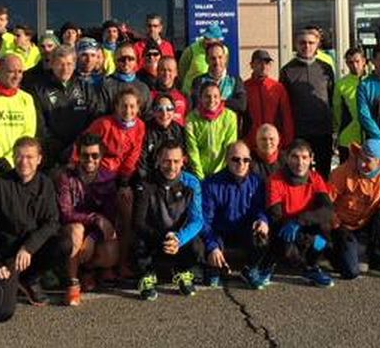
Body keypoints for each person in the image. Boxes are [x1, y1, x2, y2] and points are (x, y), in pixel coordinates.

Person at [0, 137, 61, 321]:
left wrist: (29, 247)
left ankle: (29, 279)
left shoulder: (45, 184)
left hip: (30, 251)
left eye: (30, 157)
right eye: (19, 157)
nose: (24, 162)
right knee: (2, 313)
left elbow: (52, 222)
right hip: (5, 255)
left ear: (39, 159)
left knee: (63, 244)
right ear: (13, 158)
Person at [81, 86, 146, 274]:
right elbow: (83, 145)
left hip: (122, 178)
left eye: (132, 106)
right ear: (116, 106)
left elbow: (133, 155)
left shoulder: (140, 126)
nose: (128, 110)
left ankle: (121, 262)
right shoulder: (104, 124)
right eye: (123, 106)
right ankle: (92, 268)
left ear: (138, 108)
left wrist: (124, 183)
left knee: (126, 214)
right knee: (98, 216)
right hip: (98, 177)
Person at [132, 140, 203, 300]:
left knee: (196, 243)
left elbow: (197, 220)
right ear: (158, 160)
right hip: (155, 236)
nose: (171, 167)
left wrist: (179, 238)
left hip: (178, 237)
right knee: (139, 239)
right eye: (167, 161)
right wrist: (164, 237)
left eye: (176, 161)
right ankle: (146, 275)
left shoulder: (192, 183)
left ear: (183, 161)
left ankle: (182, 271)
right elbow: (138, 222)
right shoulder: (145, 183)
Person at [57, 134, 119, 306]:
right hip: (69, 230)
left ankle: (86, 270)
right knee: (77, 229)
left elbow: (110, 217)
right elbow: (65, 213)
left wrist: (92, 238)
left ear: (101, 156)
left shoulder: (108, 178)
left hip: (92, 232)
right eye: (85, 155)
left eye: (94, 155)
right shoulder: (66, 177)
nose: (90, 160)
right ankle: (72, 282)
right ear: (78, 155)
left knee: (112, 252)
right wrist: (95, 218)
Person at [328, 139, 380, 279]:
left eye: (368, 160)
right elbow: (326, 204)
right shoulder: (342, 172)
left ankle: (378, 258)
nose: (362, 164)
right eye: (360, 157)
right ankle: (330, 250)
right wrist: (337, 226)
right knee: (350, 272)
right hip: (343, 225)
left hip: (368, 220)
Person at [201, 141, 271, 289]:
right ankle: (212, 267)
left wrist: (262, 220)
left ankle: (250, 269)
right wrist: (212, 246)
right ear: (227, 160)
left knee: (262, 237)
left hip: (244, 229)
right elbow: (205, 220)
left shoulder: (257, 182)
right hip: (219, 231)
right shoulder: (211, 184)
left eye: (246, 160)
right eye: (236, 159)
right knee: (199, 241)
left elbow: (261, 208)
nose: (241, 164)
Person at [266, 140, 335, 288]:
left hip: (303, 225)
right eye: (295, 157)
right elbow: (275, 216)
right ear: (286, 158)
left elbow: (328, 210)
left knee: (325, 233)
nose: (300, 163)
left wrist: (299, 221)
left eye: (304, 157)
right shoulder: (276, 180)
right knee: (284, 239)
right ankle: (306, 268)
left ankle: (313, 262)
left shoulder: (315, 178)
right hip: (286, 229)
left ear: (311, 159)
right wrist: (303, 235)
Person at [23, 45, 102, 164]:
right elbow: (39, 126)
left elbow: (95, 118)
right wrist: (57, 148)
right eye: (60, 64)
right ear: (52, 64)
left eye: (69, 64)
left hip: (80, 153)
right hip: (51, 154)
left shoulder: (85, 87)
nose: (65, 69)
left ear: (75, 65)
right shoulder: (38, 89)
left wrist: (78, 145)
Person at [281, 28, 335, 178]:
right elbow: (284, 104)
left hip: (323, 130)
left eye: (311, 43)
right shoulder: (287, 71)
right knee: (299, 172)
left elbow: (331, 98)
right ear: (296, 45)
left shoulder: (325, 69)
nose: (307, 46)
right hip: (300, 131)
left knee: (323, 172)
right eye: (302, 43)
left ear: (317, 44)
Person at [185, 82, 239, 180]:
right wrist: (200, 176)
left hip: (222, 173)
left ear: (220, 98)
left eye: (215, 96)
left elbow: (230, 146)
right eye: (207, 96)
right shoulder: (191, 119)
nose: (212, 100)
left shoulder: (230, 117)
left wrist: (224, 172)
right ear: (200, 98)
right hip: (200, 173)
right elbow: (192, 150)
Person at [244, 49, 294, 150]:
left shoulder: (277, 88)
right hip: (251, 144)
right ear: (252, 65)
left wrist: (287, 143)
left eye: (267, 63)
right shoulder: (244, 87)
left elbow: (286, 117)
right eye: (259, 63)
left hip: (274, 143)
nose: (263, 66)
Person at [189, 41, 247, 117]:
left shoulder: (235, 80)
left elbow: (241, 105)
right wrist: (227, 102)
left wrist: (215, 102)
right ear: (207, 60)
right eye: (213, 58)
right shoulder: (199, 81)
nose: (217, 62)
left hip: (229, 124)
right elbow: (196, 104)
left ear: (225, 59)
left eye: (220, 57)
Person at [138, 93, 186, 184]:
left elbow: (182, 159)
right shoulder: (145, 131)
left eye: (169, 109)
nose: (164, 114)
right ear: (153, 112)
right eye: (159, 109)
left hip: (174, 176)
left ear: (174, 111)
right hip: (150, 179)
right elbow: (142, 162)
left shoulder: (179, 130)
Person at [333, 47, 366, 163]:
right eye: (350, 62)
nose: (355, 65)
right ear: (346, 63)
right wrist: (337, 132)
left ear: (363, 61)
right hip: (348, 137)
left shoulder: (371, 81)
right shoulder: (341, 84)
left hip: (370, 138)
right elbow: (337, 111)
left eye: (357, 61)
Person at [101, 42, 152, 115]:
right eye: (122, 59)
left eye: (130, 59)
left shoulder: (143, 87)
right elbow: (100, 113)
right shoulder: (105, 85)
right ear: (115, 60)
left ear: (136, 61)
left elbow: (148, 115)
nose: (126, 62)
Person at [180, 24, 225, 97]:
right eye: (205, 38)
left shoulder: (223, 51)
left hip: (211, 94)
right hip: (190, 93)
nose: (206, 41)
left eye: (210, 39)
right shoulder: (191, 49)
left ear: (218, 40)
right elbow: (182, 68)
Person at [152, 56, 188, 126]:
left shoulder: (184, 96)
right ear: (157, 72)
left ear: (176, 73)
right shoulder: (150, 96)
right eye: (163, 70)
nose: (166, 73)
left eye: (170, 70)